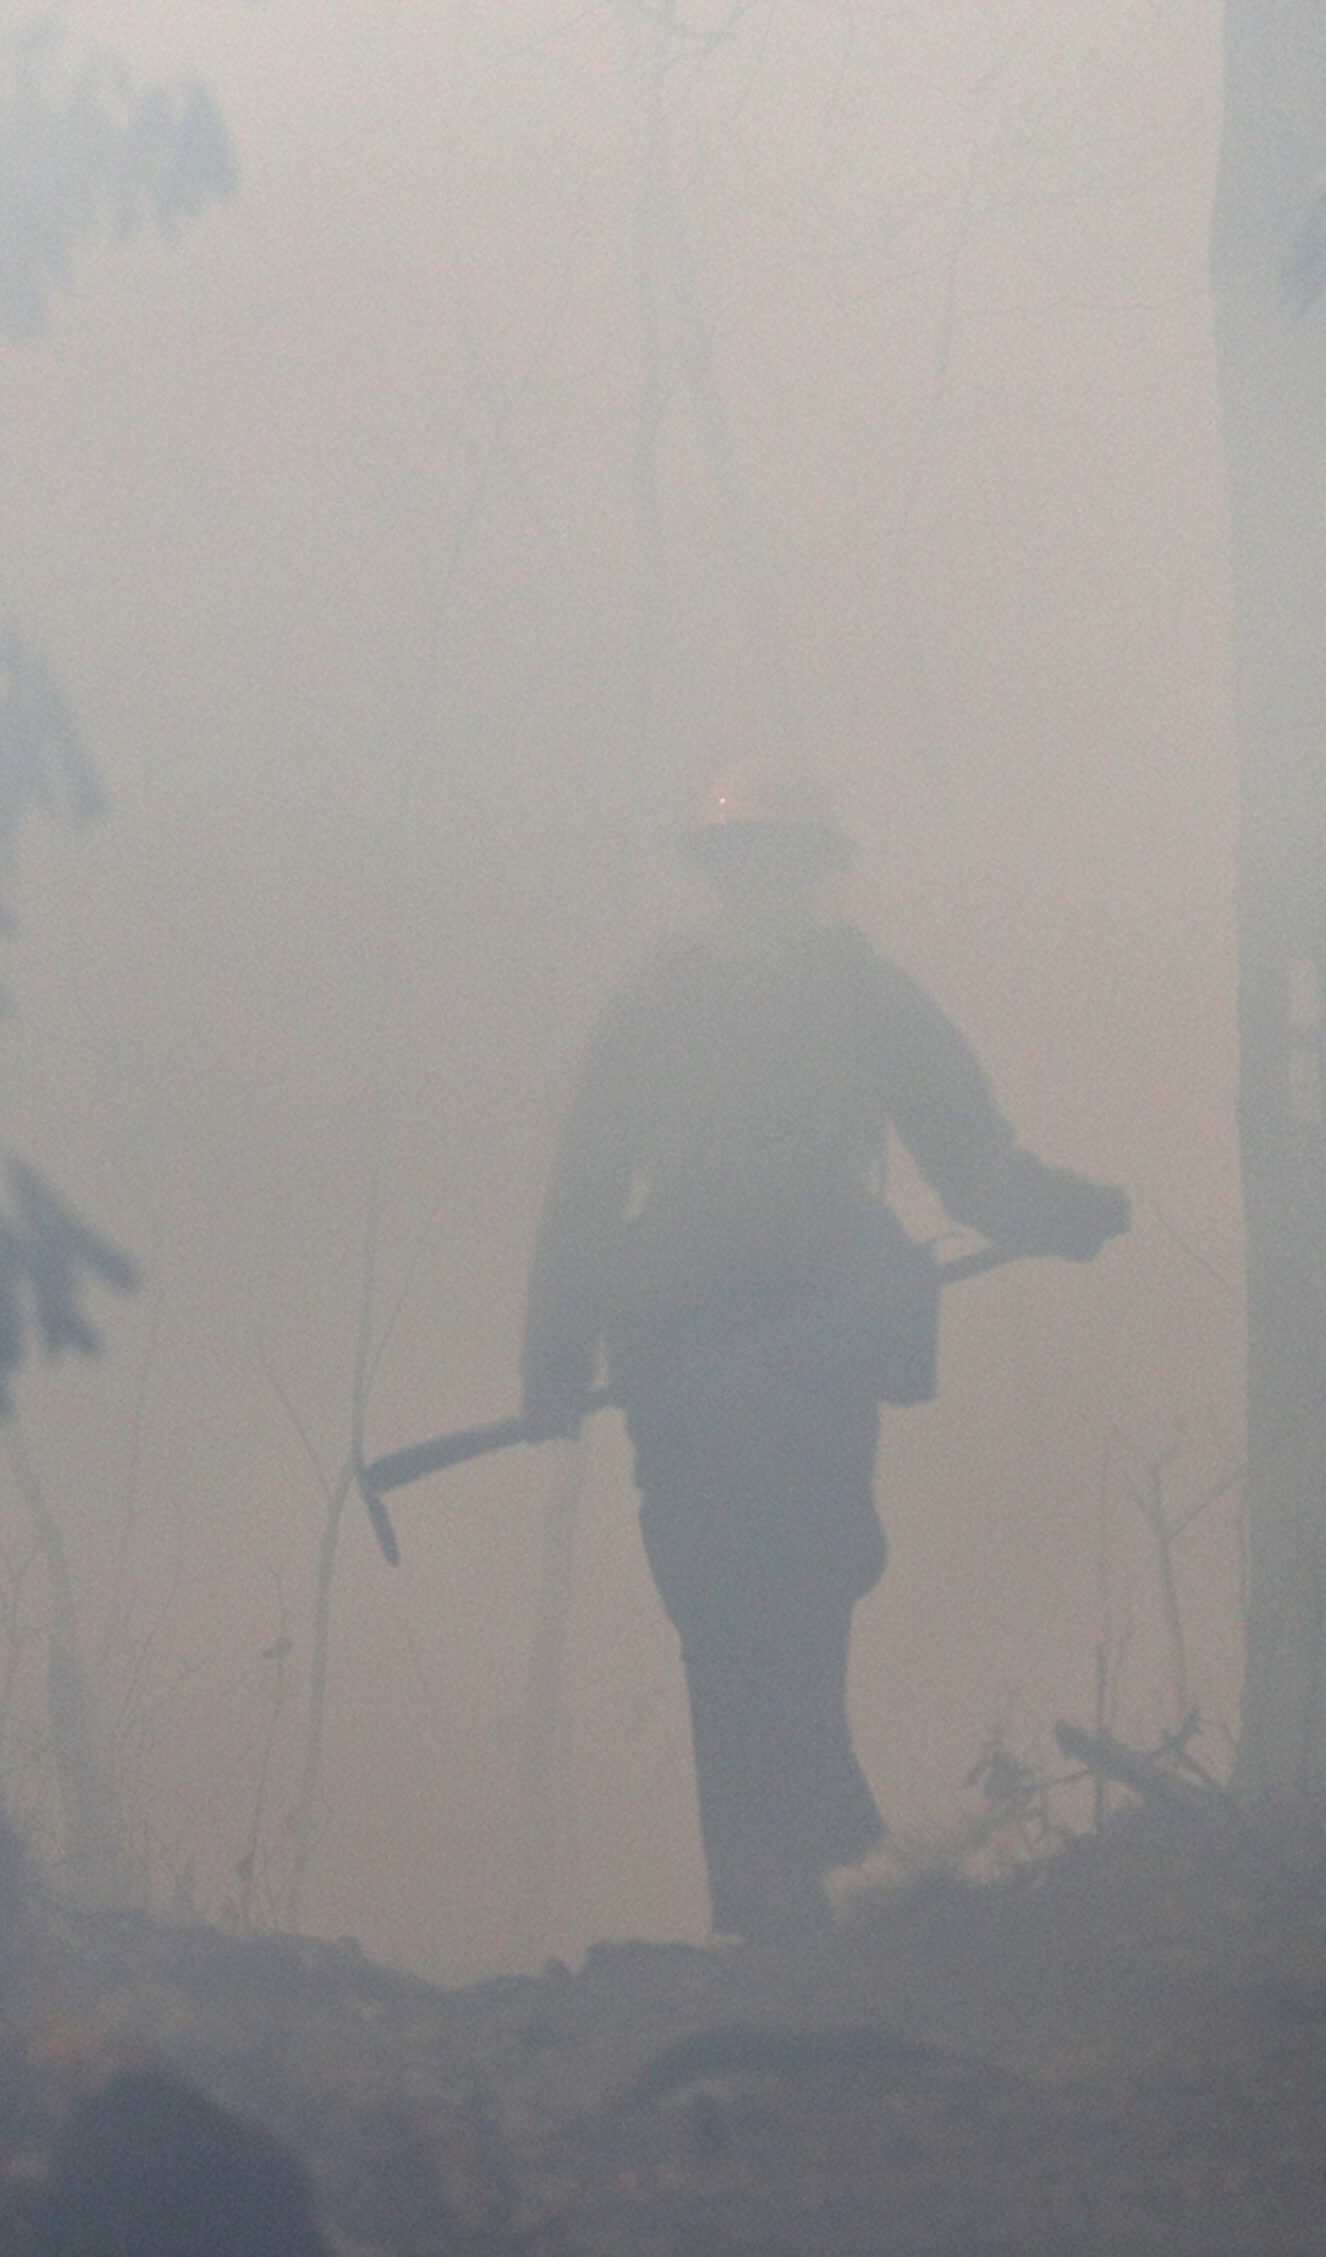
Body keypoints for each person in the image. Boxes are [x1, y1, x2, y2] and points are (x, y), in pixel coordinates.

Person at [522, 757, 1127, 1941]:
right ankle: (778, 1873)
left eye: (783, 863)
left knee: (806, 1580)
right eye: (745, 864)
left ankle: (796, 1862)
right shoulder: (659, 1003)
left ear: (813, 873)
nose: (765, 884)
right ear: (716, 875)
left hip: (818, 1336)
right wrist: (552, 1365)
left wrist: (1064, 1213)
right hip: (696, 1341)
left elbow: (967, 1151)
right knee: (719, 1596)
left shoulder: (868, 999)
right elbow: (586, 1191)